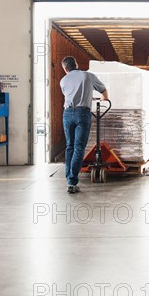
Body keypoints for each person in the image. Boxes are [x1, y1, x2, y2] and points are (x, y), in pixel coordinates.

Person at [60, 56, 108, 194]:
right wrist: (105, 98)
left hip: (67, 113)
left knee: (69, 146)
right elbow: (103, 90)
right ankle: (72, 181)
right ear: (76, 64)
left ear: (65, 69)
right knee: (79, 148)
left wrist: (86, 96)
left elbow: (71, 94)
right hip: (82, 113)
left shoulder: (63, 81)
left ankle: (69, 180)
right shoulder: (88, 76)